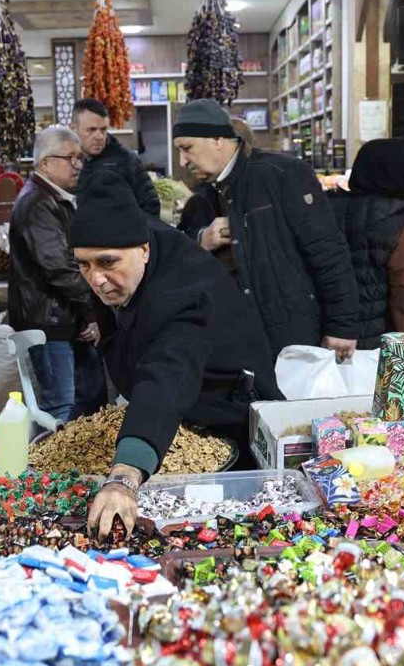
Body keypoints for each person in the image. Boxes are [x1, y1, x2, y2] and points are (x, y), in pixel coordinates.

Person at [74, 171, 282, 538]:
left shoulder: (182, 292)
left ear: (144, 249)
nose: (96, 279)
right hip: (174, 410)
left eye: (107, 263)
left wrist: (125, 475)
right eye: (83, 264)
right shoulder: (123, 253)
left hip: (226, 414)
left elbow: (167, 376)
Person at [172, 98, 359, 363]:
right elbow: (180, 256)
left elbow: (327, 251)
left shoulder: (282, 174)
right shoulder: (203, 195)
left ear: (217, 139)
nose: (183, 160)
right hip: (237, 341)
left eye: (187, 148)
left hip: (293, 335)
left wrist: (342, 325)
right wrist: (202, 238)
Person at [333, 139, 404, 410]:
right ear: (399, 174)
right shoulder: (402, 227)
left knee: (336, 428)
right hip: (385, 355)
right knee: (382, 434)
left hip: (332, 346)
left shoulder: (329, 211)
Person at [8, 126, 105, 423]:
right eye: (69, 157)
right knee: (60, 409)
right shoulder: (38, 203)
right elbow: (60, 268)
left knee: (85, 404)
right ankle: (52, 470)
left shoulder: (56, 198)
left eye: (80, 157)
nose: (78, 164)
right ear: (45, 163)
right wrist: (94, 311)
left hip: (64, 318)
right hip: (49, 324)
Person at [72, 98, 161, 218]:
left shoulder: (126, 161)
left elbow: (150, 206)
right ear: (73, 129)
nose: (99, 136)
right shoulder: (63, 162)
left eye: (103, 130)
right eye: (91, 130)